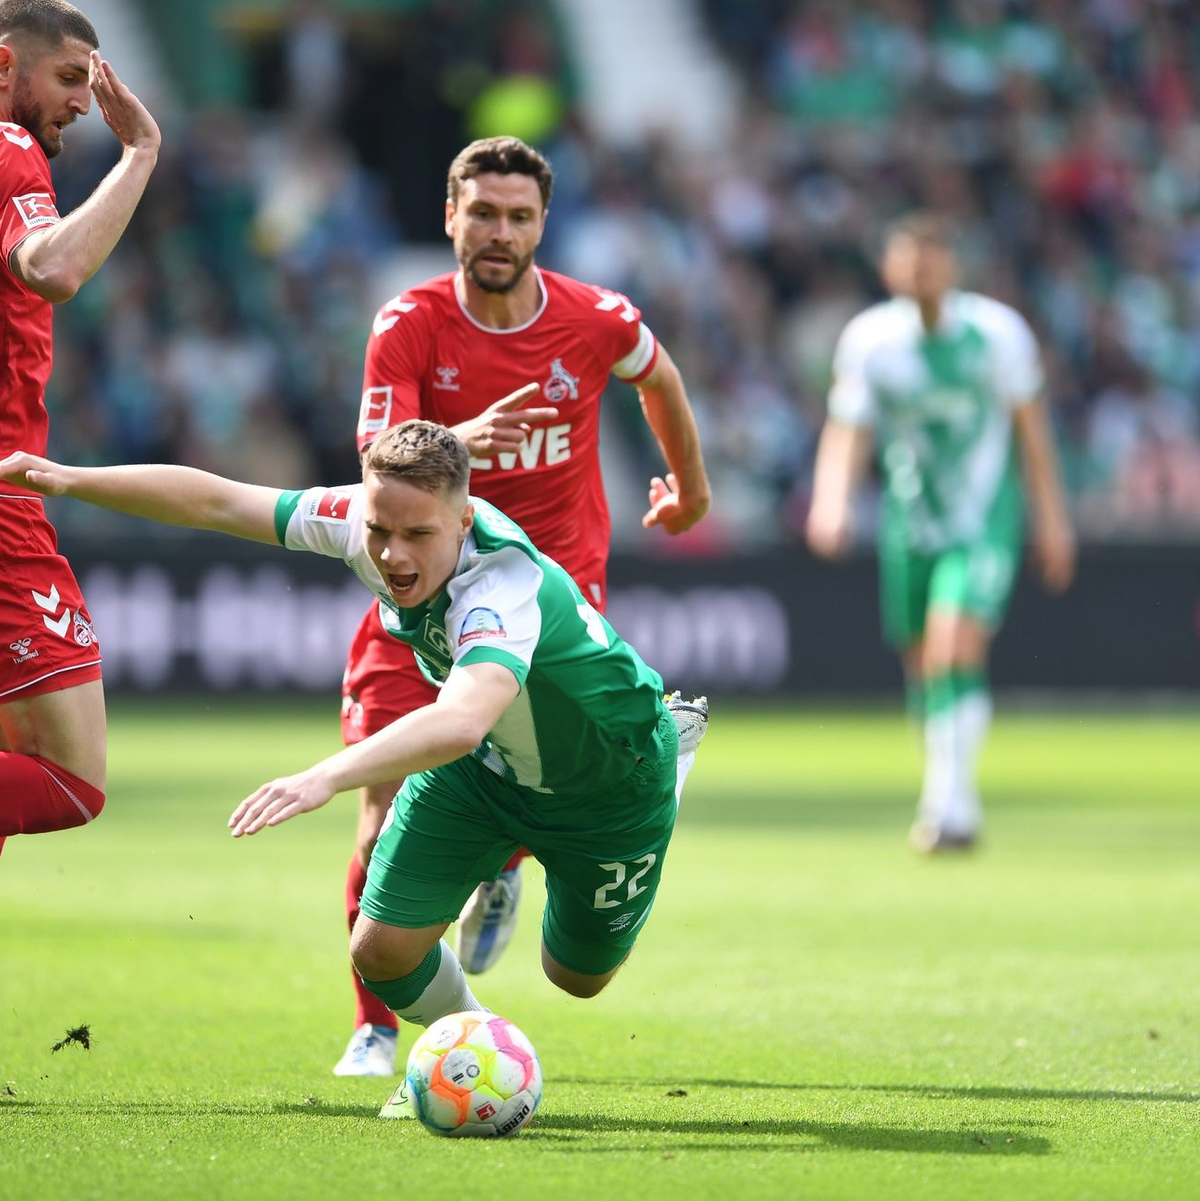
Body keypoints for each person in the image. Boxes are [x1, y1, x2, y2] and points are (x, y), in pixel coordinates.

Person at [0, 420, 708, 1120]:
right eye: (379, 530)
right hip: (489, 770)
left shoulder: (501, 584)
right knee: (380, 950)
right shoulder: (361, 519)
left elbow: (459, 719)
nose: (393, 555)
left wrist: (326, 775)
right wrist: (68, 480)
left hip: (613, 776)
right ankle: (474, 1048)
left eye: (418, 536)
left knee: (576, 976)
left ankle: (671, 749)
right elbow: (218, 501)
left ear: (464, 520)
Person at [335, 135, 711, 1074]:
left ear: (543, 223)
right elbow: (381, 461)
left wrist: (690, 487)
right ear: (450, 215)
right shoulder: (408, 323)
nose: (500, 232)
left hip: (543, 596)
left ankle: (515, 853)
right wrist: (459, 439)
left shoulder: (594, 317)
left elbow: (657, 374)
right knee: (379, 815)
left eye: (519, 216)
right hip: (417, 589)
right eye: (483, 212)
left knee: (530, 766)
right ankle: (377, 1027)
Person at [806, 213, 1075, 853]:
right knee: (923, 659)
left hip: (984, 516)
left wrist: (1053, 518)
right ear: (889, 269)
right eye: (909, 259)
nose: (921, 271)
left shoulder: (997, 334)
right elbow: (848, 429)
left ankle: (951, 807)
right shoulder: (871, 340)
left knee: (956, 642)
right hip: (911, 519)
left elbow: (1032, 432)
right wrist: (831, 500)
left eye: (932, 258)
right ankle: (947, 789)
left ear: (951, 267)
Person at [0, 0, 159, 856]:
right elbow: (53, 266)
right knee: (70, 775)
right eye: (67, 78)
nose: (80, 104)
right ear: (2, 67)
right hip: (2, 499)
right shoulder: (9, 149)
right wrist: (141, 152)